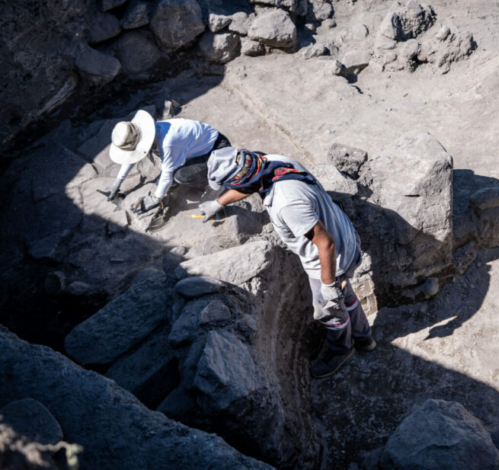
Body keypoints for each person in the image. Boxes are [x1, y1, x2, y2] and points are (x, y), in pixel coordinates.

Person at [202, 147, 376, 379]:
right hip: (345, 234)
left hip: (329, 260)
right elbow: (251, 184)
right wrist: (219, 202)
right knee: (345, 293)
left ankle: (342, 350)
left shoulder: (287, 203)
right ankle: (365, 339)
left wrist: (327, 283)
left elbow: (325, 244)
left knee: (329, 310)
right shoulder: (274, 162)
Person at [103, 109, 231, 213]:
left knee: (181, 176)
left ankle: (216, 183)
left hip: (217, 149)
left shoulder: (167, 143)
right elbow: (132, 155)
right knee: (166, 181)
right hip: (195, 148)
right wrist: (117, 182)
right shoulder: (149, 132)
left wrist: (156, 199)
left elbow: (167, 173)